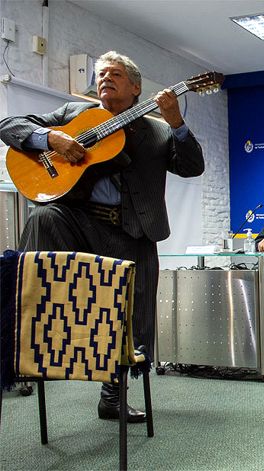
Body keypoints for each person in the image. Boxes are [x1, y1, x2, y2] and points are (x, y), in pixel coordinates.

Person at [0, 51, 204, 423]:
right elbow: (8, 125)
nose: (105, 78)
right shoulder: (74, 114)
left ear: (136, 87)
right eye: (101, 74)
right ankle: (31, 331)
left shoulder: (158, 130)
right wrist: (51, 139)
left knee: (131, 317)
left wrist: (176, 122)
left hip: (131, 231)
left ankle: (113, 396)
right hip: (78, 221)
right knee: (43, 216)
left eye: (115, 74)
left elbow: (192, 167)